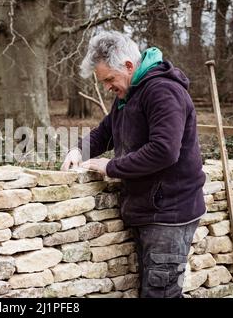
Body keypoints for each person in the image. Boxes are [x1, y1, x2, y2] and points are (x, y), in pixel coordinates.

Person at [61, 31, 206, 298]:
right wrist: (77, 150)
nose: (107, 87)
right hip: (149, 210)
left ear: (128, 66)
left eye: (109, 79)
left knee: (160, 293)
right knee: (158, 290)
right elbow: (105, 132)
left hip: (170, 214)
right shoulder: (129, 94)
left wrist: (110, 167)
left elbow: (164, 151)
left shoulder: (163, 91)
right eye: (103, 81)